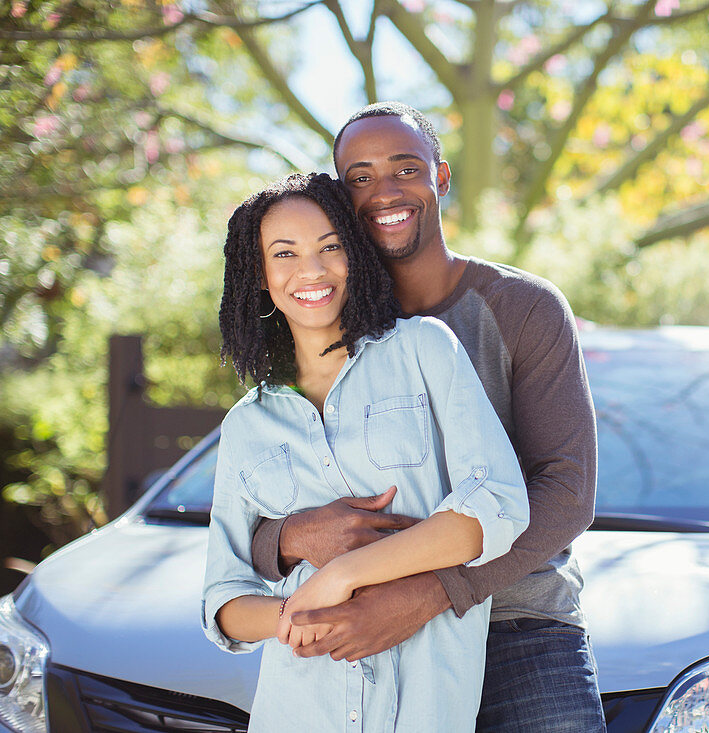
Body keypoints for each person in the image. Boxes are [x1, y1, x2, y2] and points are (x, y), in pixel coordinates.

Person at [249, 102, 607, 731]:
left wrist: (430, 594)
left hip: (517, 630)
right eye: (359, 177)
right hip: (366, 638)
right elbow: (250, 507)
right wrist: (287, 537)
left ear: (440, 178)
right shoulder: (317, 327)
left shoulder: (522, 309)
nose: (384, 191)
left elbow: (568, 491)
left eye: (405, 169)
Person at [202, 172, 530, 731]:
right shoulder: (246, 426)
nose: (312, 270)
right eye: (285, 254)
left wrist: (343, 575)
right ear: (259, 275)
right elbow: (224, 601)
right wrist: (291, 616)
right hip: (297, 710)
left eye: (330, 246)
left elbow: (495, 506)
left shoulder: (426, 350)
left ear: (353, 254)